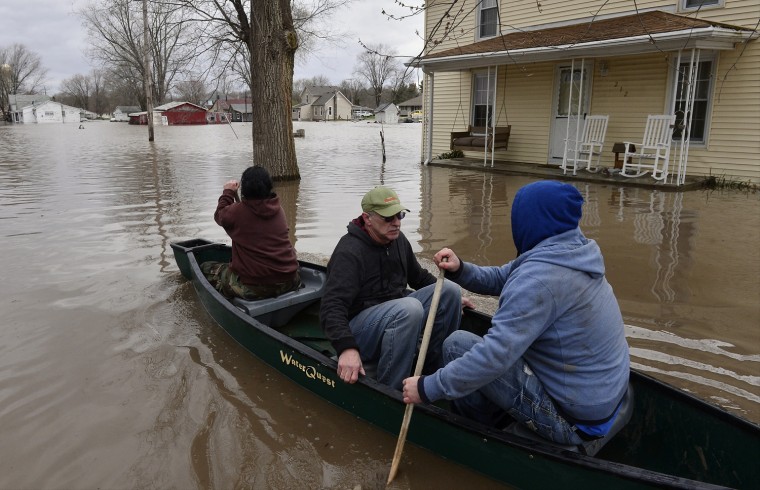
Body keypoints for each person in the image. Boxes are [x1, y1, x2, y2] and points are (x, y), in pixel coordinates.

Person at [401, 180, 630, 447]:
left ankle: (481, 435)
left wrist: (427, 388)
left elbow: (495, 355)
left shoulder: (540, 279)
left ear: (530, 221)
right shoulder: (572, 251)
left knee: (457, 346)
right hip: (605, 397)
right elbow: (505, 276)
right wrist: (461, 269)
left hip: (572, 420)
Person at [320, 185, 467, 390]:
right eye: (388, 218)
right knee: (409, 309)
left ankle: (434, 371)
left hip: (397, 313)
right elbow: (331, 307)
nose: (396, 223)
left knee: (448, 290)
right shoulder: (349, 252)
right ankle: (393, 388)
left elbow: (418, 277)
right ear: (367, 218)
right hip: (361, 328)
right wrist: (347, 349)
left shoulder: (398, 240)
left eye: (399, 215)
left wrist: (453, 297)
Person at [201, 165, 300, 300]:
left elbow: (220, 215)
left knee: (205, 267)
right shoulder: (278, 209)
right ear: (269, 187)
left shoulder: (237, 212)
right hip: (291, 280)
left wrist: (228, 192)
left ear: (245, 190)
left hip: (255, 287)